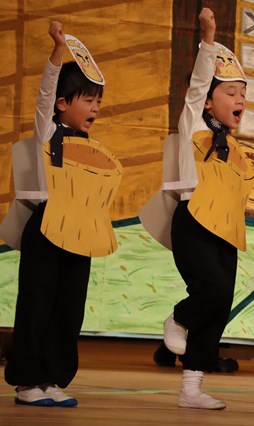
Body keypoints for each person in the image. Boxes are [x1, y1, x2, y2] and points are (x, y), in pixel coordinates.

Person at [4, 21, 120, 407]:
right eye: (87, 100)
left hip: (80, 232)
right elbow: (44, 93)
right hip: (47, 228)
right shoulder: (47, 134)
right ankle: (27, 382)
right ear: (62, 104)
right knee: (37, 305)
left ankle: (52, 378)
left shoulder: (92, 149)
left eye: (98, 101)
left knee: (69, 309)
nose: (95, 107)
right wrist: (58, 51)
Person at [160, 8, 254, 410]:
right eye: (230, 92)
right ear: (210, 100)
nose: (240, 100)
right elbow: (197, 86)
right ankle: (179, 318)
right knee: (210, 290)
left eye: (242, 93)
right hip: (194, 222)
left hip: (225, 230)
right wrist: (209, 40)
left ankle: (192, 388)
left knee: (220, 303)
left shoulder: (234, 148)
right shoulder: (193, 129)